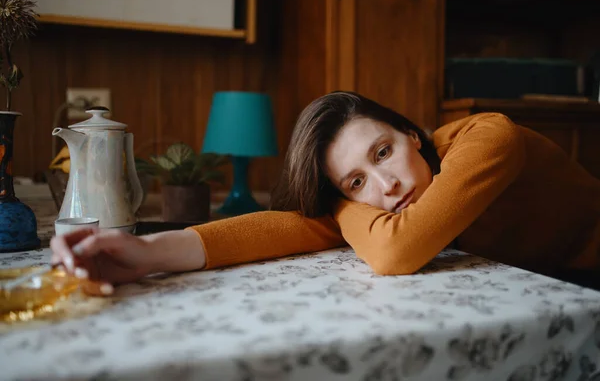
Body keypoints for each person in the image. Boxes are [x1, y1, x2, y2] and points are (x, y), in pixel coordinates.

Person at [51, 91, 600, 295]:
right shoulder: (384, 203)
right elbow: (285, 227)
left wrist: (339, 200)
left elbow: (394, 251)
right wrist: (147, 253)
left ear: (411, 134)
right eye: (356, 182)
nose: (387, 187)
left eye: (383, 151)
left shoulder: (488, 137)